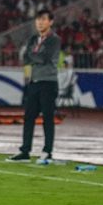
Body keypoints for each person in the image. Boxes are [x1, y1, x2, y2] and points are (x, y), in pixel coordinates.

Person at [8, 9, 61, 163]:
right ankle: (25, 151)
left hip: (48, 82)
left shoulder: (54, 40)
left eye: (44, 19)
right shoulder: (33, 39)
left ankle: (47, 151)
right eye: (38, 20)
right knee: (29, 117)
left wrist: (32, 56)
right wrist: (32, 58)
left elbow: (43, 58)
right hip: (34, 82)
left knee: (48, 118)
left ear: (50, 22)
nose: (40, 22)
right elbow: (26, 58)